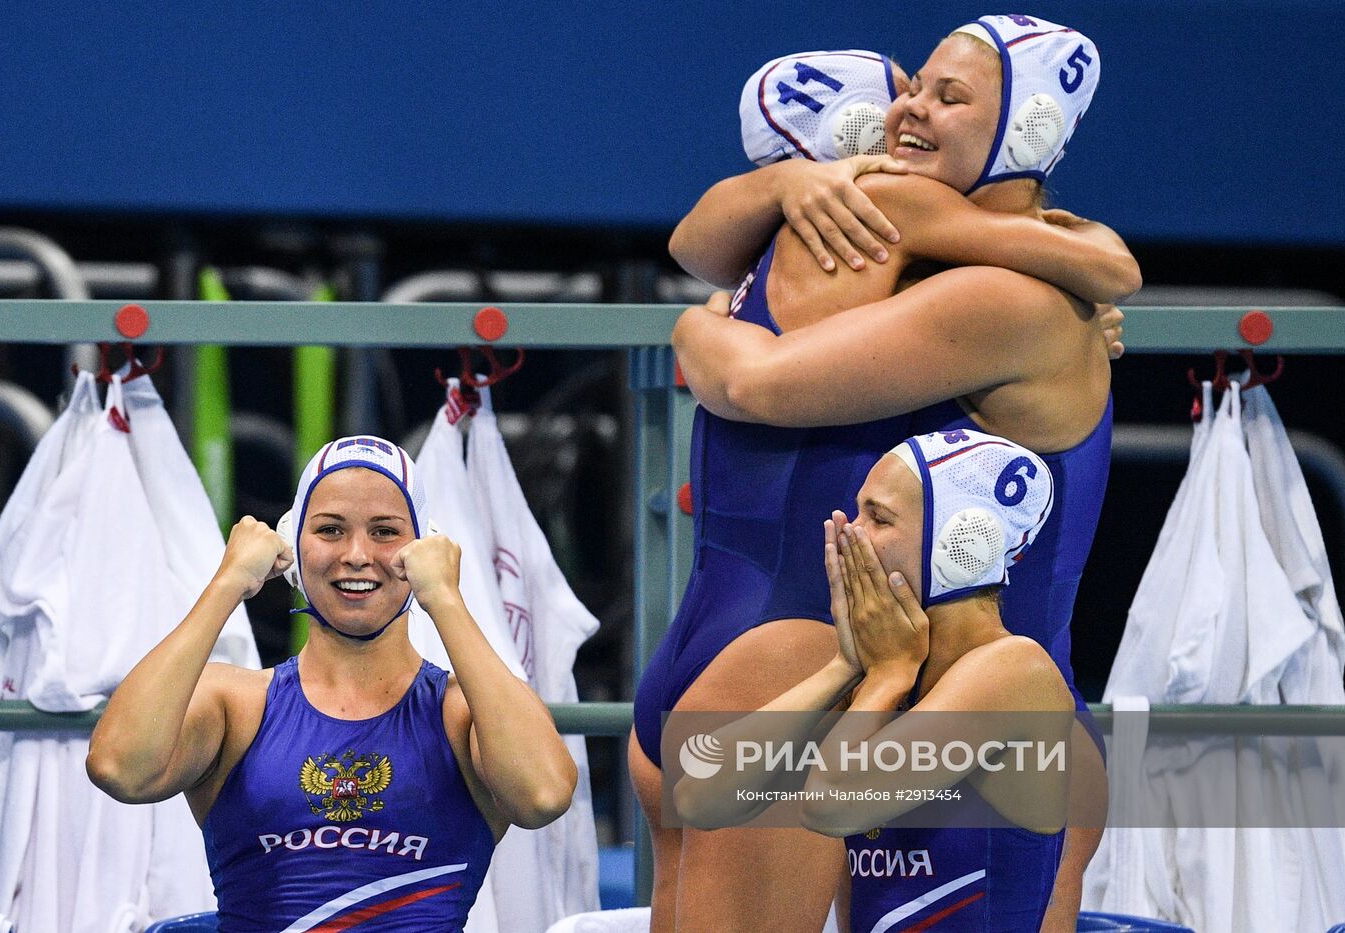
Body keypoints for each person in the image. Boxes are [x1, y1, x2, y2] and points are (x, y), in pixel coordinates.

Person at [633, 16, 1126, 932]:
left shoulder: (937, 272)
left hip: (802, 671)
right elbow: (745, 362)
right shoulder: (924, 255)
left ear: (1025, 129)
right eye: (908, 88)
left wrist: (700, 322)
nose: (906, 108)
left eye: (946, 93)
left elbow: (718, 298)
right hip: (868, 679)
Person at [87, 436, 577, 931]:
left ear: (423, 551)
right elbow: (120, 769)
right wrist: (226, 584)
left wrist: (446, 600)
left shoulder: (463, 714)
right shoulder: (235, 707)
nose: (357, 554)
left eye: (385, 532)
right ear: (294, 546)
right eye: (330, 530)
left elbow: (542, 797)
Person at [673, 429, 1072, 931]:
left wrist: (884, 674)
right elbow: (699, 798)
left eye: (878, 518)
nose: (848, 534)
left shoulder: (1016, 672)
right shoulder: (885, 678)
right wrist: (846, 667)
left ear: (962, 544)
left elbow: (829, 805)